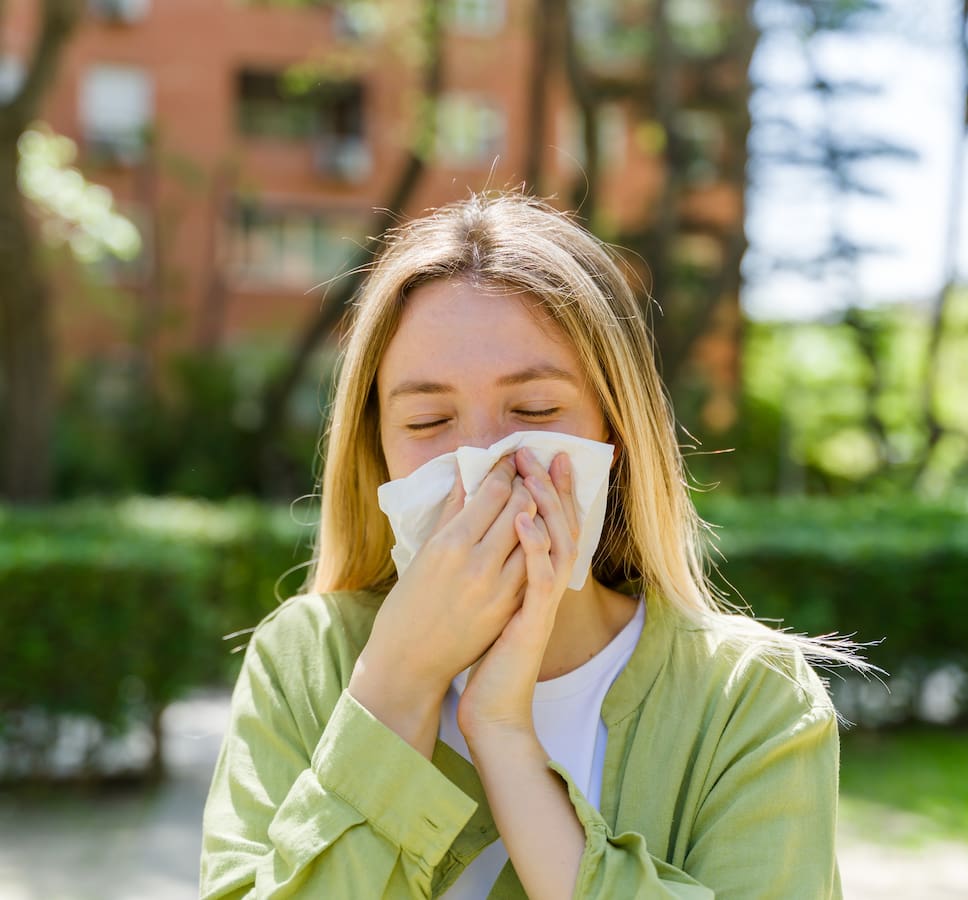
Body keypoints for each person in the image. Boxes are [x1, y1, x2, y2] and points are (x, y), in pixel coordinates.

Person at [200, 193, 848, 899]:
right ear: (377, 452)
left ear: (614, 433)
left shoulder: (747, 701)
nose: (482, 464)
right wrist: (397, 683)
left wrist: (504, 737)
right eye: (428, 420)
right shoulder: (306, 660)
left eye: (535, 411)